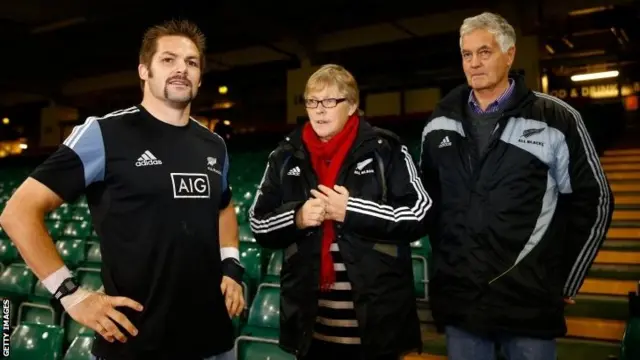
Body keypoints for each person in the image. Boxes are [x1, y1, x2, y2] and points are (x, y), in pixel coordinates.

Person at [0, 19, 244, 360]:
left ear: (200, 77)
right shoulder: (104, 133)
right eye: (168, 59)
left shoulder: (214, 144)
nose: (181, 70)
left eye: (191, 63)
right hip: (136, 343)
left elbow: (223, 206)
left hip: (215, 342)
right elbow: (18, 212)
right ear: (144, 70)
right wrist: (71, 295)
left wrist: (231, 267)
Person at [418, 12, 614, 360]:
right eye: (467, 55)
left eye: (485, 52)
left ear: (509, 55)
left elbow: (595, 200)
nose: (474, 64)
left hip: (529, 305)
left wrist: (568, 277)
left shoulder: (556, 118)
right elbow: (425, 203)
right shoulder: (439, 124)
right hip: (461, 305)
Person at [248, 64, 430, 360]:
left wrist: (352, 210)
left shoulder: (387, 149)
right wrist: (298, 217)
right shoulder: (284, 155)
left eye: (330, 101)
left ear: (353, 106)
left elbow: (421, 214)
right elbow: (258, 222)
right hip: (311, 329)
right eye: (312, 101)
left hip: (376, 326)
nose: (319, 110)